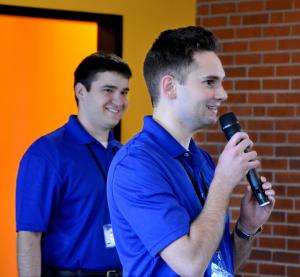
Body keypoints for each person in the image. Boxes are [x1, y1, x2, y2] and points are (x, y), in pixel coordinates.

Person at [107, 26, 275, 276]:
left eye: (221, 83)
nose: (222, 94)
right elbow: (190, 264)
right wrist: (223, 183)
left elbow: (219, 267)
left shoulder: (202, 160)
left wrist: (246, 227)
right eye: (210, 82)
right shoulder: (136, 165)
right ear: (170, 87)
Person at [16, 52, 132, 277]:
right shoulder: (46, 154)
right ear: (81, 91)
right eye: (108, 90)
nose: (119, 101)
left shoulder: (125, 155)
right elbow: (29, 235)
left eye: (124, 92)